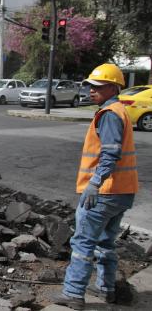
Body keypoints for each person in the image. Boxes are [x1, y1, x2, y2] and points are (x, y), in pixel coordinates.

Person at [52, 63, 138, 310]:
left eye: (98, 87)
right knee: (105, 242)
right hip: (122, 192)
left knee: (83, 243)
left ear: (114, 87)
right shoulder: (119, 111)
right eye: (90, 86)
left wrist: (95, 183)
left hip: (104, 192)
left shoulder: (109, 114)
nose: (92, 91)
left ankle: (73, 293)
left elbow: (110, 154)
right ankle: (105, 288)